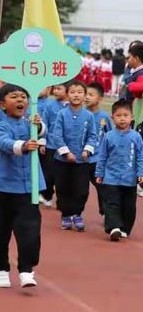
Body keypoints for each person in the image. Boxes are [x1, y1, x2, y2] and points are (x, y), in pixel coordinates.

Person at [0, 84, 46, 289]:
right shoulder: (1, 125)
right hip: (3, 187)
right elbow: (3, 143)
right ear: (2, 105)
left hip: (29, 187)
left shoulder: (31, 120)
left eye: (23, 96)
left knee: (30, 230)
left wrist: (38, 127)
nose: (20, 100)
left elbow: (42, 132)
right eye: (14, 97)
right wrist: (23, 146)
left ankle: (27, 269)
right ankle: (1, 267)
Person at [95, 99, 143, 241]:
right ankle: (113, 227)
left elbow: (140, 156)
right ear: (113, 117)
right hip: (111, 178)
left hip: (130, 179)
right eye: (119, 115)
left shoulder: (136, 137)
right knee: (111, 203)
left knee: (129, 207)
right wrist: (99, 173)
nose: (122, 119)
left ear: (132, 117)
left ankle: (125, 229)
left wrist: (141, 173)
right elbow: (102, 156)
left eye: (126, 115)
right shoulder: (108, 136)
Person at [53, 80, 97, 231]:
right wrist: (66, 152)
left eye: (79, 92)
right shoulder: (61, 114)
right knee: (62, 188)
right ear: (67, 94)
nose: (76, 95)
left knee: (81, 190)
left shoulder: (89, 116)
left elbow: (93, 136)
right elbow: (56, 135)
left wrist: (87, 150)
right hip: (62, 161)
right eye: (72, 92)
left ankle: (77, 214)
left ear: (84, 95)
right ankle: (66, 215)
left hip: (82, 161)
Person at [86, 82, 112, 215]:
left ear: (100, 98)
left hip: (98, 159)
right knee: (80, 188)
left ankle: (105, 211)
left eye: (91, 95)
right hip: (82, 158)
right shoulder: (81, 114)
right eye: (86, 94)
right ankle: (72, 211)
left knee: (101, 186)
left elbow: (110, 135)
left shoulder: (104, 117)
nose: (87, 97)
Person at [39, 84, 67, 207]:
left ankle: (62, 201)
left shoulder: (71, 106)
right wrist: (42, 142)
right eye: (54, 88)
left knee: (63, 176)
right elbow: (44, 124)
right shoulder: (50, 105)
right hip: (51, 145)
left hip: (66, 147)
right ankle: (47, 196)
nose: (56, 91)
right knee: (48, 173)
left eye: (59, 88)